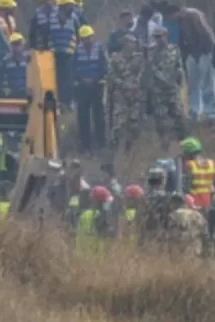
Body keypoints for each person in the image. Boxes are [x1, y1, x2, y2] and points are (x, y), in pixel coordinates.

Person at [175, 5, 215, 121]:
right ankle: (194, 109)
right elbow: (182, 38)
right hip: (191, 52)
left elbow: (205, 35)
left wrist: (202, 52)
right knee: (192, 83)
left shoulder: (194, 15)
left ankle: (211, 111)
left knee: (207, 82)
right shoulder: (179, 20)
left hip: (205, 51)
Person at [147, 26, 186, 150]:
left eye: (160, 36)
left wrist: (179, 82)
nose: (159, 39)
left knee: (179, 117)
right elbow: (151, 71)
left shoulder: (174, 49)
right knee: (161, 120)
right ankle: (164, 146)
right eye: (156, 37)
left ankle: (184, 143)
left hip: (172, 89)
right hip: (158, 91)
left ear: (166, 36)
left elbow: (179, 66)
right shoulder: (151, 52)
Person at [107, 34, 145, 153]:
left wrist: (135, 85)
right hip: (120, 95)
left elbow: (142, 74)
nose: (133, 45)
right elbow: (111, 75)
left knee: (134, 124)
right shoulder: (115, 58)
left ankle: (130, 149)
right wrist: (122, 85)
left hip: (135, 94)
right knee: (118, 123)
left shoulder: (139, 58)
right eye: (130, 43)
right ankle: (114, 148)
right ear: (124, 44)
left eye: (134, 43)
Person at [73, 25, 108, 154]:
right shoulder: (77, 51)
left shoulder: (99, 49)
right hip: (82, 88)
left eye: (89, 38)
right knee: (83, 117)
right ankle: (85, 146)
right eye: (84, 38)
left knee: (99, 116)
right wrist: (81, 80)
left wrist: (96, 79)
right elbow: (73, 68)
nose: (87, 40)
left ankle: (101, 143)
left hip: (96, 86)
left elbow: (104, 66)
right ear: (81, 39)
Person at [180, 137, 215, 210]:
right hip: (208, 205)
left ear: (188, 153)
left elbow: (185, 189)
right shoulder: (211, 164)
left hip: (194, 206)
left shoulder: (189, 165)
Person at [76, 186, 113, 256]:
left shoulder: (84, 214)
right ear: (99, 201)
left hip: (82, 253)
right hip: (96, 254)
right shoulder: (100, 216)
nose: (106, 204)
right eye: (104, 201)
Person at [0, 33, 29, 98]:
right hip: (11, 95)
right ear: (10, 46)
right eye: (14, 44)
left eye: (18, 44)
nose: (16, 47)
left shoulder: (29, 59)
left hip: (27, 95)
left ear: (23, 45)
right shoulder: (5, 61)